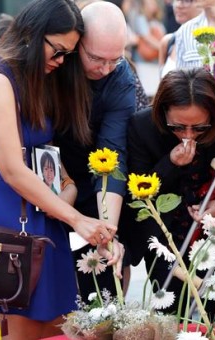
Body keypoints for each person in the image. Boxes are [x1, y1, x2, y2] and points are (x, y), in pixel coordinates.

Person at [0, 0, 120, 338]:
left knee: (55, 324)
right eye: (57, 51)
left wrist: (65, 186)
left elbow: (39, 149)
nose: (60, 61)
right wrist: (76, 219)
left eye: (67, 54)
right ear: (33, 33)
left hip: (37, 204)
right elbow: (12, 168)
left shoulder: (31, 75)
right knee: (24, 324)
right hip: (4, 207)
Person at [125, 67, 215, 318]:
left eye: (199, 128)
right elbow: (136, 191)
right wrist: (170, 164)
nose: (188, 136)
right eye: (178, 127)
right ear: (163, 112)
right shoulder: (143, 126)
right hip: (166, 239)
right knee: (169, 318)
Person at [53, 1, 136, 302]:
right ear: (77, 43)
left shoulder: (120, 77)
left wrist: (106, 231)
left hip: (97, 185)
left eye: (115, 59)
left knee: (102, 283)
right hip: (45, 178)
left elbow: (112, 156)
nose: (105, 69)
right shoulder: (54, 64)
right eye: (97, 59)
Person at [158, 0, 202, 77]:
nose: (178, 5)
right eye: (176, 0)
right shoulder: (168, 41)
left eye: (186, 1)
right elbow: (161, 85)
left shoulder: (209, 40)